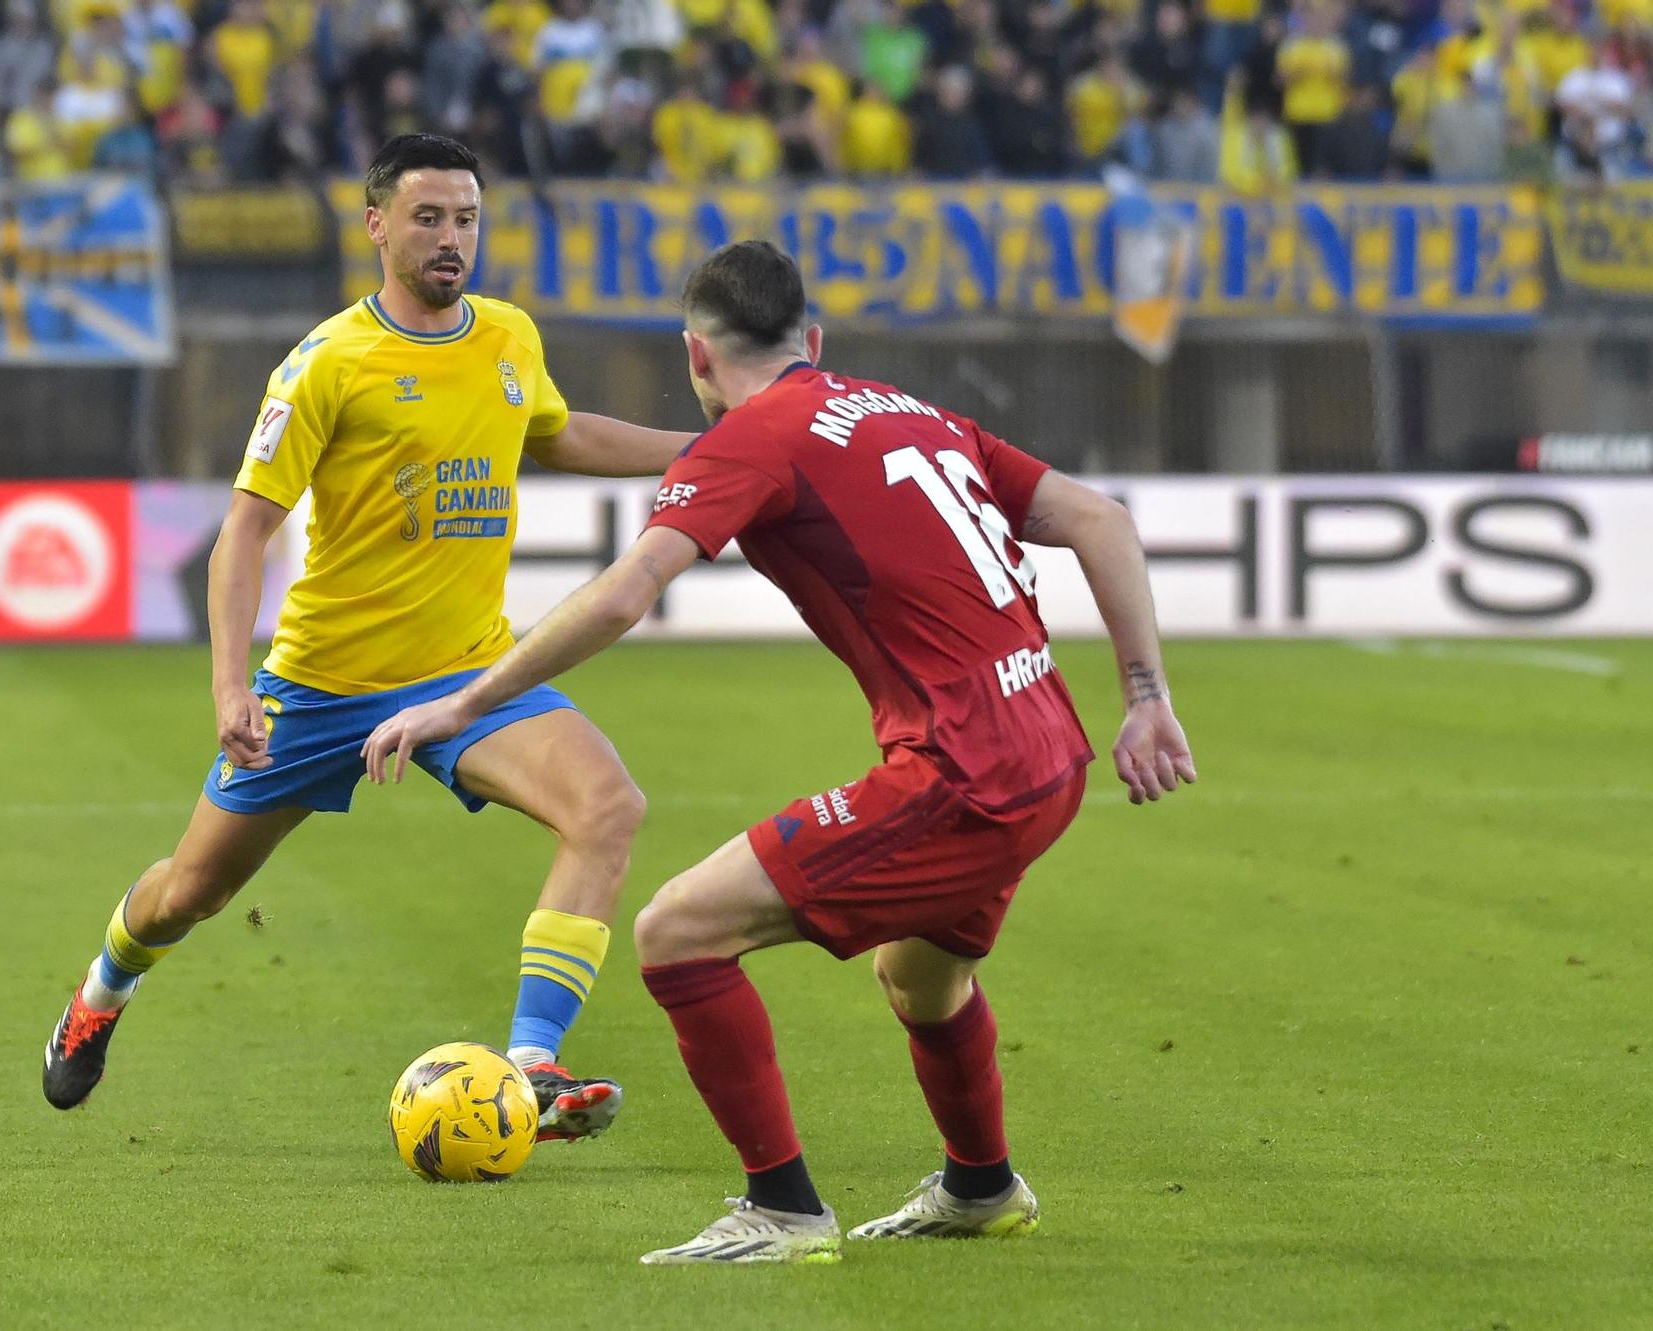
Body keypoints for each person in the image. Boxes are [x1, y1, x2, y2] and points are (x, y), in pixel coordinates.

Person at [363, 240, 1196, 1265]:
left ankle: (782, 1207)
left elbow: (624, 592)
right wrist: (1146, 697)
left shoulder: (750, 439)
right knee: (922, 978)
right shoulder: (906, 410)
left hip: (961, 774)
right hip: (1048, 750)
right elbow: (1100, 517)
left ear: (694, 358)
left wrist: (463, 703)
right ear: (812, 338)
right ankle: (979, 1187)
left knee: (676, 930)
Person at [40, 134, 694, 1143]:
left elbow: (555, 433)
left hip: (472, 671)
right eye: (427, 217)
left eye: (466, 218)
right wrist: (229, 687)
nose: (450, 238)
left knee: (607, 806)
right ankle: (100, 990)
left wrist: (707, 453)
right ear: (376, 224)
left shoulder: (508, 334)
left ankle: (528, 1066)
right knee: (191, 893)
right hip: (322, 685)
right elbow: (243, 529)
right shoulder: (324, 365)